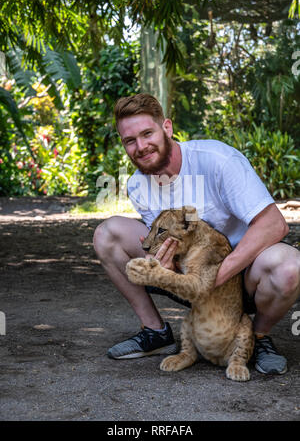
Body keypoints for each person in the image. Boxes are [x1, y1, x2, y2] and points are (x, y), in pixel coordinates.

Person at [93, 93, 300, 375]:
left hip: (244, 274)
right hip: (192, 276)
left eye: (147, 133)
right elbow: (169, 244)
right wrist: (164, 265)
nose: (141, 147)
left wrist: (214, 277)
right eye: (130, 140)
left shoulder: (217, 159)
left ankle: (259, 336)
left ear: (167, 128)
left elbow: (275, 225)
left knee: (290, 266)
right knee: (107, 234)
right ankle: (155, 332)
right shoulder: (138, 185)